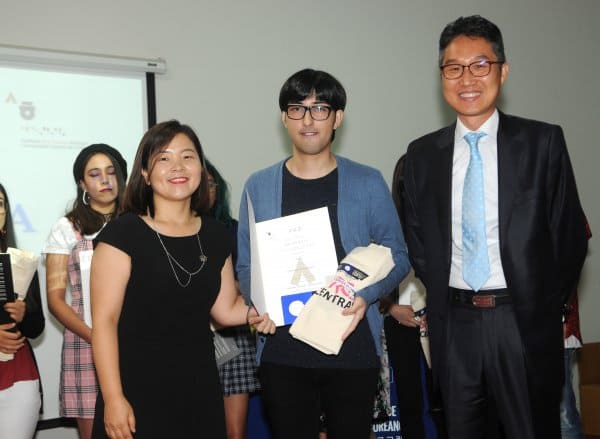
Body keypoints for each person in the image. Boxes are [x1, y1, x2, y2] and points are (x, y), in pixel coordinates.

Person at [402, 15, 588, 439]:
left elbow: (569, 238)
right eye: (454, 68)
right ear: (441, 76)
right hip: (455, 326)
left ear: (503, 72)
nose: (467, 78)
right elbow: (419, 241)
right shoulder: (422, 155)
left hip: (521, 322)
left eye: (480, 65)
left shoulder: (542, 143)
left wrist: (539, 303)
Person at [237, 68, 410, 439]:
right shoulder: (258, 185)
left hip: (352, 345)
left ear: (337, 118)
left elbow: (398, 254)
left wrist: (366, 296)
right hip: (283, 351)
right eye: (297, 108)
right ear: (284, 117)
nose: (308, 120)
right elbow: (247, 264)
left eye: (320, 109)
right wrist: (259, 305)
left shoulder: (367, 181)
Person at [90, 120, 275, 439]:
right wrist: (114, 398)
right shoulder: (122, 234)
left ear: (201, 168)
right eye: (164, 158)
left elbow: (226, 309)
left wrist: (260, 311)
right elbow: (104, 323)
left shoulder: (215, 234)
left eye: (188, 157)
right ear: (145, 173)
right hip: (136, 390)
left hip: (199, 390)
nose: (178, 166)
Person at [43, 143, 128, 439]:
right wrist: (98, 337)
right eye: (94, 174)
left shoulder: (139, 221)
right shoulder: (67, 227)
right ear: (82, 183)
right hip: (86, 342)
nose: (105, 180)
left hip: (136, 340)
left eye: (111, 172)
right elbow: (55, 300)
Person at [206, 159, 260, 439]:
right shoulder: (173, 233)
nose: (205, 190)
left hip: (232, 337)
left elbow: (250, 283)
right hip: (189, 338)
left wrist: (223, 287)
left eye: (210, 184)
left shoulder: (234, 230)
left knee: (234, 431)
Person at [0, 183, 45, 439]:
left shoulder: (21, 262)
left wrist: (24, 314)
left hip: (18, 381)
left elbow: (36, 328)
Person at [560, 219, 591, 439]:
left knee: (563, 415)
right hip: (508, 326)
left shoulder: (560, 201)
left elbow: (578, 241)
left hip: (556, 325)